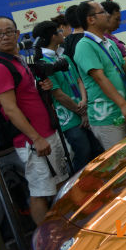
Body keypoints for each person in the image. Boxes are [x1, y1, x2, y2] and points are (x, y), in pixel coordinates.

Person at [0, 16, 69, 224]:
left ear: (17, 34)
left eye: (8, 31)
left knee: (60, 184)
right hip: (32, 141)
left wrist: (43, 88)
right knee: (40, 192)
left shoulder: (17, 61)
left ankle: (66, 228)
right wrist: (36, 138)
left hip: (47, 133)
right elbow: (10, 109)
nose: (4, 36)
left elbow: (26, 97)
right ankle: (45, 239)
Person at [32, 21, 103, 172]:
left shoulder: (64, 57)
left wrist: (84, 101)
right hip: (68, 119)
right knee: (83, 150)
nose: (62, 33)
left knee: (97, 148)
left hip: (84, 108)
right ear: (53, 36)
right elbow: (58, 94)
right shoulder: (42, 64)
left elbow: (79, 80)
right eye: (59, 31)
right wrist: (81, 112)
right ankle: (78, 183)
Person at [74, 1, 126, 150]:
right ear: (91, 19)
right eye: (103, 12)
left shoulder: (109, 42)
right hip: (107, 117)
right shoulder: (84, 46)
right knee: (121, 159)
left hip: (124, 108)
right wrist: (123, 104)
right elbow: (100, 78)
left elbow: (121, 70)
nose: (108, 15)